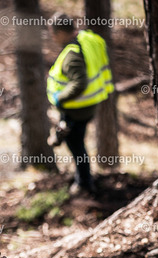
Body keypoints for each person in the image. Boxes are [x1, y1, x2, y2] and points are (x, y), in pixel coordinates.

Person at [47, 13, 114, 195]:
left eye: (54, 33)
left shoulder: (72, 54)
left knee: (76, 146)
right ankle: (82, 177)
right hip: (90, 105)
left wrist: (59, 98)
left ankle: (84, 184)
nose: (52, 37)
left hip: (76, 109)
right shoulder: (88, 38)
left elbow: (80, 83)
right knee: (77, 141)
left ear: (62, 32)